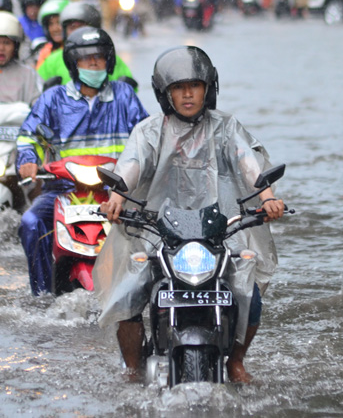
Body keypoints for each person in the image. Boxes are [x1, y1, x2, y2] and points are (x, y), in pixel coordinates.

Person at [94, 46, 285, 383]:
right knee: (130, 290)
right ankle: (133, 369)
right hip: (158, 231)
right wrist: (117, 198)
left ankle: (236, 362)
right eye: (178, 88)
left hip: (220, 230)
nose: (187, 94)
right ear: (164, 93)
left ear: (208, 88)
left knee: (249, 293)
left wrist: (268, 197)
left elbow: (248, 162)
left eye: (194, 86)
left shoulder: (226, 127)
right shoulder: (150, 131)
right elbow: (131, 165)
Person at [17, 27, 149, 296]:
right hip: (62, 191)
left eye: (99, 58)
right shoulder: (53, 99)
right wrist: (29, 159)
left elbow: (147, 137)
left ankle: (144, 296)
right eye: (86, 59)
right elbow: (28, 135)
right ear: (73, 64)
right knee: (30, 223)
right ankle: (41, 296)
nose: (93, 63)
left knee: (152, 230)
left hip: (115, 194)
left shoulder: (124, 96)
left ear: (108, 61)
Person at [37, 1, 137, 88]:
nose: (77, 32)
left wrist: (124, 87)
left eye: (82, 27)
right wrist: (47, 91)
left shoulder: (108, 57)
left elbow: (129, 95)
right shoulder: (52, 61)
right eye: (72, 27)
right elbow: (37, 90)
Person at [35, 0, 69, 69]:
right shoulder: (46, 51)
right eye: (51, 24)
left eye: (59, 22)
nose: (55, 29)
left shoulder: (76, 50)